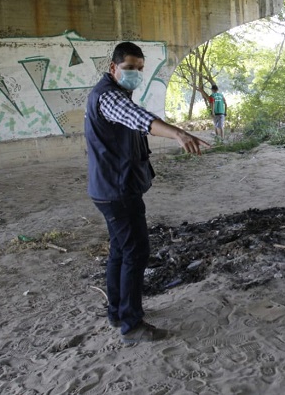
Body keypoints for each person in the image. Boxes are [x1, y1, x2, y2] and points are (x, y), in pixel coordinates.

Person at [85, 42, 211, 343]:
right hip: (117, 191)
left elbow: (134, 118)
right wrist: (178, 133)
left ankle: (118, 312)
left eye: (140, 69)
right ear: (113, 68)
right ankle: (132, 325)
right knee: (136, 252)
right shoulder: (110, 98)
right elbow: (139, 119)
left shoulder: (114, 94)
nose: (136, 75)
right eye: (130, 69)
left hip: (110, 188)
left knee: (120, 251)